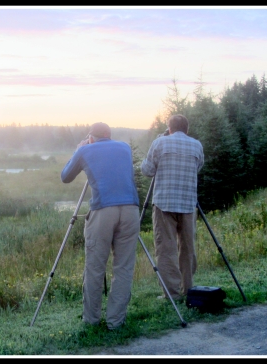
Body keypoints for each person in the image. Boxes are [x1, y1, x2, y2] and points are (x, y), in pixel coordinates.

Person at [61, 122, 140, 330]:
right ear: (109, 135)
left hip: (103, 209)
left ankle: (92, 320)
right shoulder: (124, 147)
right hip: (131, 209)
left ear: (91, 137)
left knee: (95, 267)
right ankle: (116, 321)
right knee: (123, 267)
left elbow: (65, 177)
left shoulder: (86, 149)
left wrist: (78, 150)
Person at [141, 114, 204, 301]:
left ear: (169, 128)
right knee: (187, 247)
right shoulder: (197, 145)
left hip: (164, 203)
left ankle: (172, 293)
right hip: (188, 203)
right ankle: (188, 288)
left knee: (166, 248)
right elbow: (198, 166)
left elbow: (147, 170)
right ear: (187, 129)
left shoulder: (160, 143)